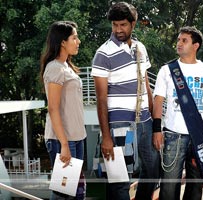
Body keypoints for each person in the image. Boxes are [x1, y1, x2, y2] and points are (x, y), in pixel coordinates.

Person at [91, 2, 159, 200]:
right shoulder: (103, 54)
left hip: (144, 122)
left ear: (133, 24)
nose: (118, 29)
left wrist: (156, 125)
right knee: (119, 178)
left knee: (152, 170)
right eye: (115, 25)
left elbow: (147, 86)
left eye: (123, 25)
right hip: (120, 125)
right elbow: (101, 99)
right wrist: (105, 136)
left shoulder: (140, 48)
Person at [152, 26, 203, 200]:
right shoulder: (167, 70)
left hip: (199, 136)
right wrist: (156, 129)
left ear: (196, 45)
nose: (179, 43)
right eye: (178, 40)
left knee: (195, 186)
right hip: (173, 135)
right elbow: (158, 101)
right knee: (168, 187)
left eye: (184, 40)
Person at [40, 21, 87, 199]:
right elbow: (53, 108)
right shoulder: (55, 68)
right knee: (64, 193)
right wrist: (65, 145)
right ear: (62, 42)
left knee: (77, 192)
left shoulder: (66, 67)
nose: (78, 41)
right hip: (63, 141)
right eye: (74, 37)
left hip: (77, 137)